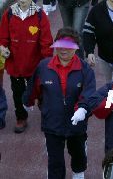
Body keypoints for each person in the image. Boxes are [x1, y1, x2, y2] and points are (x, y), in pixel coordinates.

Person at [24, 27, 96, 179]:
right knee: (55, 161)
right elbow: (33, 88)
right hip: (52, 123)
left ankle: (78, 171)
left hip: (77, 124)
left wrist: (82, 110)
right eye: (60, 45)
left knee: (78, 154)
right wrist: (27, 101)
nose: (64, 50)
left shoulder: (85, 70)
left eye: (69, 46)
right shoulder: (43, 67)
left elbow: (88, 94)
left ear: (76, 48)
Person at [0, 0, 52, 133]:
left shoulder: (40, 15)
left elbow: (46, 41)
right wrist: (3, 48)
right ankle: (21, 118)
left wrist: (46, 62)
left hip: (35, 64)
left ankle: (47, 116)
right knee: (17, 93)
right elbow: (3, 37)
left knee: (41, 92)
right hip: (15, 63)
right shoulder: (9, 14)